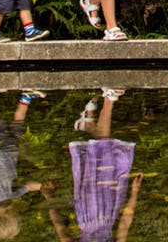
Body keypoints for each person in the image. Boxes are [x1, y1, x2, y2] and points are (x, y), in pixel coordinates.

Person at [44, 88, 143, 242]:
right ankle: (88, 123)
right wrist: (134, 193)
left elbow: (60, 228)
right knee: (101, 154)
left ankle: (109, 99)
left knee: (103, 152)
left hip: (88, 208)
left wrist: (49, 196)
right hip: (110, 205)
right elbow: (124, 224)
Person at [0, 88, 48, 240]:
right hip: (10, 153)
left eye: (10, 213)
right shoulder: (11, 197)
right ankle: (26, 97)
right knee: (17, 125)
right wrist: (42, 187)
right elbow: (28, 187)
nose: (11, 210)